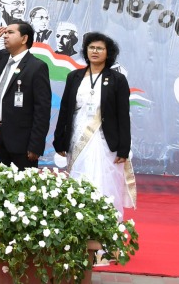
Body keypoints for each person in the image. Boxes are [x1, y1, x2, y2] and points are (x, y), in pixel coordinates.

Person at [52, 32, 136, 224]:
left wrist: (124, 148)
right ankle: (78, 226)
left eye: (100, 48)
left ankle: (106, 229)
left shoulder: (117, 79)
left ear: (108, 53)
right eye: (91, 47)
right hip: (78, 136)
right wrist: (59, 139)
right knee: (80, 179)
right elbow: (65, 109)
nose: (95, 51)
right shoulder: (74, 77)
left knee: (104, 181)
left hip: (105, 141)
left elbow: (123, 115)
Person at [0, 22, 52, 169]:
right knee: (0, 184)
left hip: (22, 139)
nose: (5, 35)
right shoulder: (1, 57)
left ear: (24, 38)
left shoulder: (36, 66)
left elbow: (42, 110)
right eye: (5, 32)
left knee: (22, 186)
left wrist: (36, 145)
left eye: (10, 32)